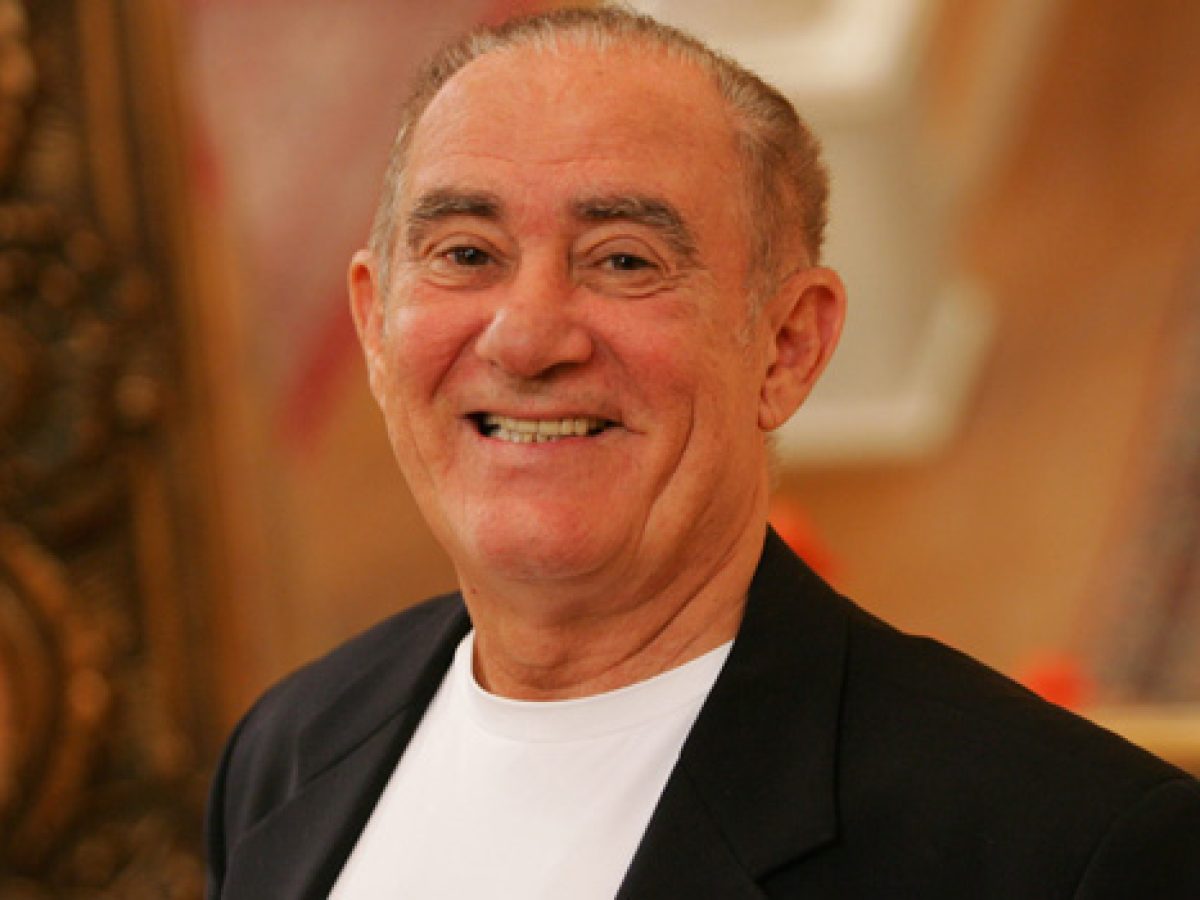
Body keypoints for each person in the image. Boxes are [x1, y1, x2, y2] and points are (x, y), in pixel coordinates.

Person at [205, 7, 1200, 899]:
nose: (527, 336)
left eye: (623, 261)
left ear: (788, 346)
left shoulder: (1068, 852)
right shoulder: (287, 750)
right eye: (467, 253)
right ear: (376, 327)